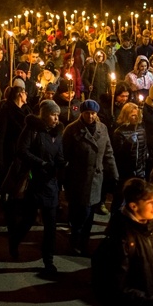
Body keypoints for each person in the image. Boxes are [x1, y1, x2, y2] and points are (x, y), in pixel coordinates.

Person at [90, 178, 153, 306]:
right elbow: (116, 287)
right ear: (134, 206)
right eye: (150, 202)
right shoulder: (120, 238)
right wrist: (146, 302)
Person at [7, 100, 65, 274]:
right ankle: (15, 241)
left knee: (51, 225)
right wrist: (41, 163)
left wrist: (61, 164)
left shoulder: (57, 132)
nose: (56, 118)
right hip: (35, 181)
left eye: (57, 115)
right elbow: (22, 151)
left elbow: (59, 153)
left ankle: (48, 260)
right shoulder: (32, 129)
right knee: (29, 219)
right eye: (53, 115)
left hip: (51, 184)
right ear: (45, 115)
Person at [63, 99, 119, 256]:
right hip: (78, 179)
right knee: (80, 214)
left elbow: (108, 153)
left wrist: (114, 173)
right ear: (82, 113)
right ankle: (75, 242)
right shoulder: (72, 130)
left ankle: (84, 243)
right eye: (87, 113)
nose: (90, 116)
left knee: (89, 216)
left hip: (95, 180)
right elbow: (64, 155)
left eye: (93, 113)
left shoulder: (102, 129)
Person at [0, 84, 31, 199]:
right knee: (8, 178)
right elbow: (0, 136)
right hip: (9, 151)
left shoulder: (27, 110)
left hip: (22, 151)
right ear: (20, 94)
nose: (26, 95)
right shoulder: (6, 111)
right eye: (25, 93)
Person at [111, 102, 148, 213]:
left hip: (139, 173)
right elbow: (118, 154)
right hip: (125, 174)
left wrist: (142, 167)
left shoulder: (141, 131)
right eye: (132, 115)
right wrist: (128, 143)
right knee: (120, 200)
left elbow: (144, 150)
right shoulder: (119, 132)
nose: (135, 117)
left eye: (137, 115)